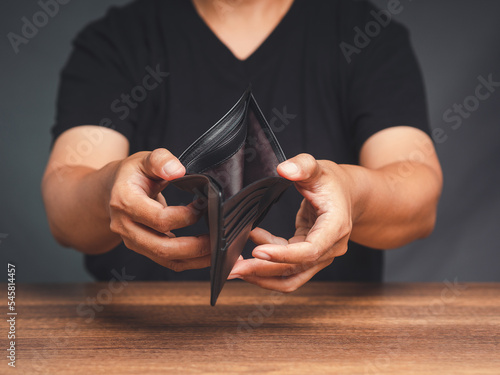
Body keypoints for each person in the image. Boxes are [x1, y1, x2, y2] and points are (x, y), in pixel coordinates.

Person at [42, 0, 443, 293]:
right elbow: (64, 206)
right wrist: (111, 185)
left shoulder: (366, 34)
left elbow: (418, 196)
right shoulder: (116, 40)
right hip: (145, 339)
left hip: (327, 338)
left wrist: (351, 193)